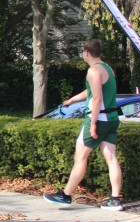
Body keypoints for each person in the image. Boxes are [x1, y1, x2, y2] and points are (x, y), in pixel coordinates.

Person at [44, 39, 124, 211]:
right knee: (111, 158)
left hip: (98, 119)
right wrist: (72, 100)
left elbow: (97, 98)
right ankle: (115, 199)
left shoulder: (93, 71)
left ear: (86, 52)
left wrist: (93, 123)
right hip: (111, 118)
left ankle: (65, 195)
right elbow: (92, 91)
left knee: (80, 157)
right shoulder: (108, 68)